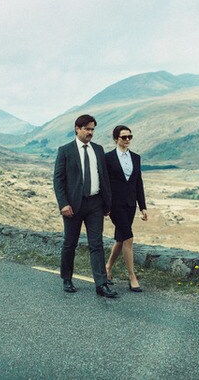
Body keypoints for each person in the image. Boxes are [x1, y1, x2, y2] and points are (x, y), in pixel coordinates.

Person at [53, 114, 117, 298]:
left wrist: (107, 203)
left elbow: (103, 177)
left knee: (96, 244)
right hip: (73, 206)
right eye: (87, 129)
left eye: (92, 129)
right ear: (77, 128)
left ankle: (101, 284)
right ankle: (67, 278)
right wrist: (63, 204)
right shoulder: (65, 150)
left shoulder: (98, 149)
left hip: (95, 204)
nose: (90, 132)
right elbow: (58, 180)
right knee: (70, 243)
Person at [104, 125, 148, 292]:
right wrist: (105, 205)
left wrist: (142, 206)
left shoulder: (136, 158)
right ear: (116, 139)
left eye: (130, 136)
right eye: (124, 137)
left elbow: (138, 183)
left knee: (121, 239)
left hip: (130, 204)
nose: (127, 139)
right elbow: (105, 183)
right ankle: (132, 276)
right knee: (128, 238)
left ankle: (107, 268)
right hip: (115, 205)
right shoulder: (107, 158)